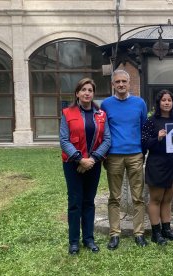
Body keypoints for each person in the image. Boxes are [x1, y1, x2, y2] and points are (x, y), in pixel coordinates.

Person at [60, 78, 111, 255]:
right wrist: (80, 159)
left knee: (89, 202)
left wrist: (93, 159)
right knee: (75, 202)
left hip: (94, 164)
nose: (87, 93)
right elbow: (64, 140)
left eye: (90, 90)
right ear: (77, 93)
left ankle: (88, 239)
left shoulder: (101, 115)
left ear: (93, 94)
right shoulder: (67, 113)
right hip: (72, 164)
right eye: (83, 90)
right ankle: (74, 242)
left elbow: (107, 139)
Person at [101, 69, 148, 249]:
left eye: (124, 81)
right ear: (113, 84)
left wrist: (143, 151)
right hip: (114, 155)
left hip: (135, 154)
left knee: (138, 197)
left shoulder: (139, 103)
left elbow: (144, 128)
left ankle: (139, 233)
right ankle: (114, 234)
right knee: (115, 197)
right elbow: (103, 130)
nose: (121, 84)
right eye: (117, 82)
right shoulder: (106, 104)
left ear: (129, 84)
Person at [141, 90, 173, 245]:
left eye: (169, 100)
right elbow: (144, 143)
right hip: (156, 163)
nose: (167, 102)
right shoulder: (151, 121)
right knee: (156, 199)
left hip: (172, 162)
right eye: (163, 100)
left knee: (167, 199)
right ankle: (156, 233)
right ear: (158, 103)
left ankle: (167, 231)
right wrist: (157, 138)